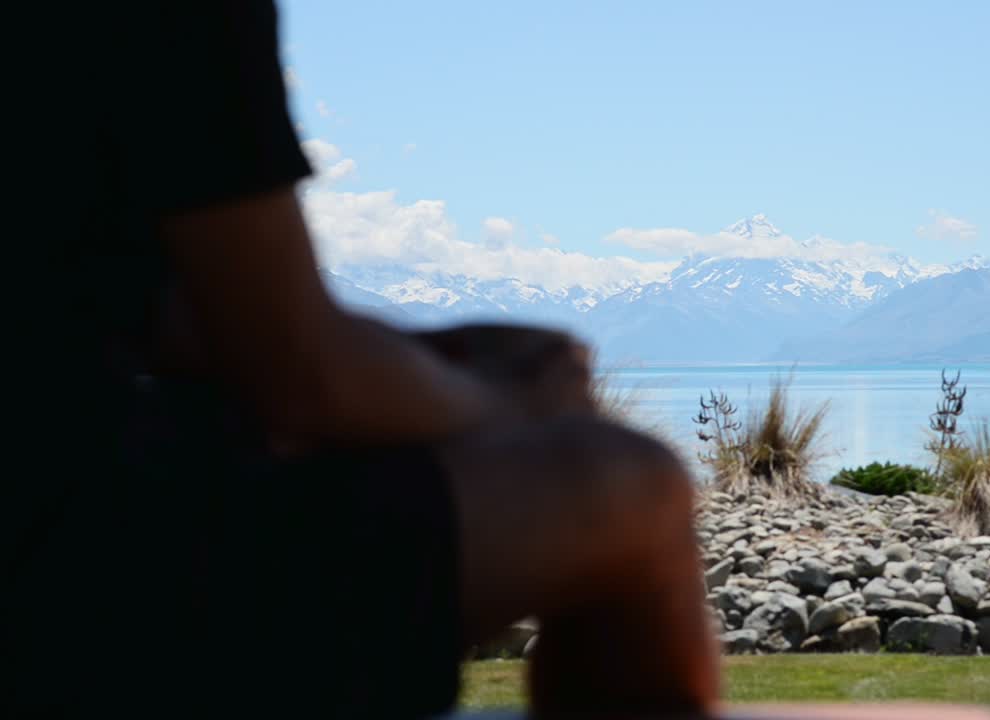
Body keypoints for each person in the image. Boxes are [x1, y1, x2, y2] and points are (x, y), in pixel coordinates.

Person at [4, 2, 717, 717]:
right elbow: (301, 380)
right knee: (632, 485)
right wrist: (512, 398)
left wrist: (431, 358)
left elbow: (159, 317)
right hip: (78, 573)